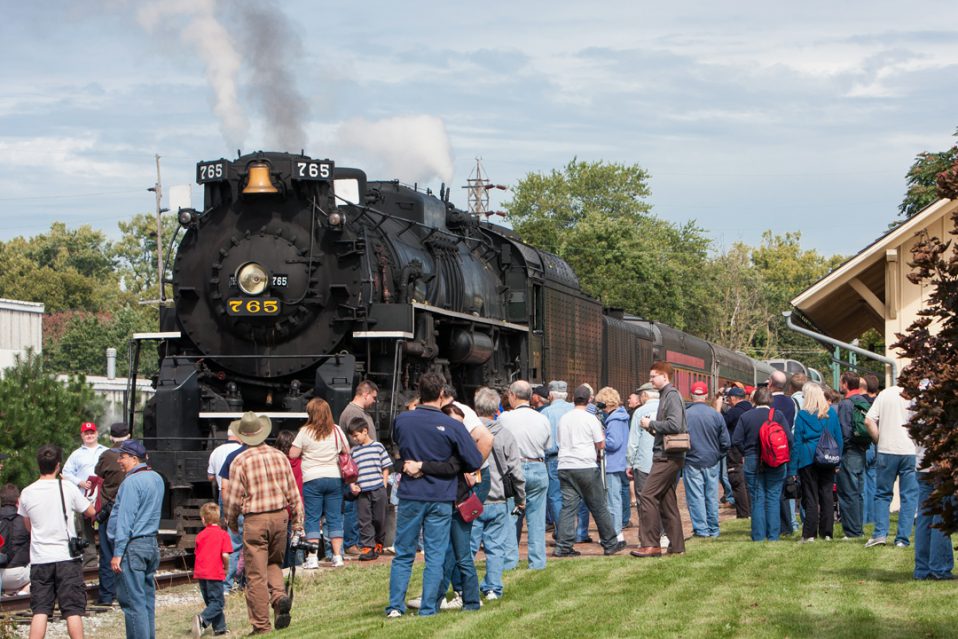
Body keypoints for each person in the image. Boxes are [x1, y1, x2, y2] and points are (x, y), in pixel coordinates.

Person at [385, 372, 483, 618]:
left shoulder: (403, 420)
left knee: (404, 553)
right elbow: (473, 460)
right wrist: (449, 462)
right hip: (441, 495)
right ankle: (428, 607)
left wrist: (416, 464)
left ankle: (395, 607)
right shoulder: (452, 425)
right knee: (436, 555)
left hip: (410, 494)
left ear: (419, 392)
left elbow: (397, 445)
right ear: (442, 394)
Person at [225, 412, 304, 634]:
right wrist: (298, 522)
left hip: (256, 519)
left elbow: (232, 498)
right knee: (273, 563)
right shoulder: (280, 456)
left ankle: (261, 626)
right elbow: (293, 492)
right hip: (281, 517)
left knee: (255, 574)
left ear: (243, 437)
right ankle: (279, 598)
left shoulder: (240, 460)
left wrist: (231, 522)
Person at [19, 444, 96, 639]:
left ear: (38, 465)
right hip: (66, 557)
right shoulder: (68, 487)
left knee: (40, 610)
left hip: (40, 558)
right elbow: (91, 512)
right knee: (73, 610)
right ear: (58, 465)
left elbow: (28, 526)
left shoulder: (27, 492)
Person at [554, 384, 626, 558]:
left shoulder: (564, 418)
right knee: (599, 506)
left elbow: (559, 441)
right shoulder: (590, 419)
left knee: (568, 508)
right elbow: (601, 443)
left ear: (573, 399)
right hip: (585, 466)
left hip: (565, 466)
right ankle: (610, 543)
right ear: (589, 400)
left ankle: (563, 546)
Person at [470, 386, 525, 600]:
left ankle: (465, 587)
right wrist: (521, 499)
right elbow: (516, 472)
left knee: (468, 547)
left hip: (473, 499)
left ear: (476, 408)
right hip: (498, 498)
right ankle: (493, 588)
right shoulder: (506, 435)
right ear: (496, 409)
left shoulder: (469, 433)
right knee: (496, 547)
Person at [108, 440, 164, 639]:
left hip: (133, 546)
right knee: (147, 601)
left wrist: (117, 553)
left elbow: (125, 520)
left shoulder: (131, 482)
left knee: (132, 604)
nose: (119, 461)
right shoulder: (157, 478)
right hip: (151, 543)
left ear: (133, 458)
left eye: (122, 457)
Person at [632, 361, 687, 558]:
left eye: (653, 375)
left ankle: (651, 544)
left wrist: (651, 423)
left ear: (665, 377)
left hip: (667, 456)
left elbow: (675, 424)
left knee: (647, 495)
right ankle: (677, 545)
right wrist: (652, 427)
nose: (650, 379)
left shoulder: (671, 395)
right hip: (669, 456)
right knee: (666, 500)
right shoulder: (668, 395)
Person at [497, 380, 552, 570]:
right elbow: (547, 445)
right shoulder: (543, 418)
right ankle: (537, 563)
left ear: (512, 395)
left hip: (514, 469)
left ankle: (509, 562)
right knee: (536, 520)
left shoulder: (505, 418)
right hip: (538, 467)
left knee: (511, 517)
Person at [290, 398, 350, 568]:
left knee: (312, 518)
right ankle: (337, 556)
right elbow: (347, 450)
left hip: (312, 479)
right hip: (334, 478)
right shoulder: (336, 430)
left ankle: (312, 557)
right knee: (334, 518)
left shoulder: (305, 431)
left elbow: (293, 453)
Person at [731, 387, 793, 542]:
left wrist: (745, 453)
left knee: (757, 498)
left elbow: (736, 440)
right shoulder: (777, 415)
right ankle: (773, 536)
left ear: (754, 400)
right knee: (773, 497)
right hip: (775, 461)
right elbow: (790, 439)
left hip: (752, 459)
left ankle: (758, 536)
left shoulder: (746, 417)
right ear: (770, 400)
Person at [788, 383, 843, 542]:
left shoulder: (803, 415)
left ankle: (809, 534)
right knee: (827, 495)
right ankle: (827, 533)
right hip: (828, 456)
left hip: (808, 458)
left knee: (810, 496)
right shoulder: (830, 414)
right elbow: (838, 438)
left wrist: (793, 469)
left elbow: (797, 443)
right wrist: (838, 460)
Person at [864, 385, 918, 548]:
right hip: (910, 451)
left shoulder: (886, 394)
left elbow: (868, 420)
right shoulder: (917, 396)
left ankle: (880, 533)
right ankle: (902, 538)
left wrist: (879, 440)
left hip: (887, 449)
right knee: (909, 496)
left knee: (882, 494)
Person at [683, 382, 730, 538]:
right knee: (711, 495)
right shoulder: (715, 415)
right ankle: (714, 529)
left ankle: (701, 530)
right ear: (706, 395)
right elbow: (725, 442)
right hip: (712, 460)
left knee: (696, 496)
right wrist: (717, 455)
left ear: (691, 395)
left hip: (691, 460)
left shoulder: (685, 414)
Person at [339, 380, 379, 557]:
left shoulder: (358, 412)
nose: (375, 401)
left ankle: (358, 541)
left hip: (362, 466)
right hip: (357, 467)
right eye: (373, 397)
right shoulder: (352, 413)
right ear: (365, 394)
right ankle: (351, 542)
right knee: (353, 506)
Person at [92, 421, 131, 605]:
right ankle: (126, 591)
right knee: (126, 551)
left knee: (107, 553)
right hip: (128, 509)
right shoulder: (134, 455)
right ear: (128, 436)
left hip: (108, 509)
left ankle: (107, 595)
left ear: (110, 437)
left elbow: (98, 472)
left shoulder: (106, 456)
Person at [346, 418, 391, 560]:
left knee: (379, 518)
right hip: (363, 492)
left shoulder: (378, 447)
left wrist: (383, 483)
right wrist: (352, 484)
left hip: (378, 488)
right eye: (352, 436)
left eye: (356, 435)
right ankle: (367, 546)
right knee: (364, 520)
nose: (354, 439)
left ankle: (379, 542)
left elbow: (385, 467)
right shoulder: (354, 452)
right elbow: (352, 472)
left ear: (365, 431)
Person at [62, 421, 106, 564]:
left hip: (103, 496)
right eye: (86, 433)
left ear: (97, 433)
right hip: (84, 498)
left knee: (106, 526)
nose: (89, 435)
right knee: (86, 530)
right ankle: (90, 560)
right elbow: (66, 473)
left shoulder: (105, 451)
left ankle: (107, 557)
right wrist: (79, 482)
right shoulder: (76, 454)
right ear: (82, 435)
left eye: (92, 432)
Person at [836, 371, 871, 540]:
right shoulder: (863, 401)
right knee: (858, 491)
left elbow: (844, 430)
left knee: (847, 491)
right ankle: (859, 527)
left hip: (849, 452)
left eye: (841, 382)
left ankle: (851, 531)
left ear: (845, 384)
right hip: (862, 450)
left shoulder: (846, 404)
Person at [913, 445, 954, 580]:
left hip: (923, 465)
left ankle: (922, 569)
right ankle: (940, 568)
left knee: (925, 517)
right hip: (942, 466)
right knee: (941, 515)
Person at [192, 502, 233, 637]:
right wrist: (226, 568)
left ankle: (220, 627)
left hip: (201, 573)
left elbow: (197, 554)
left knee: (212, 601)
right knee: (219, 602)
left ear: (203, 519)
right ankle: (202, 619)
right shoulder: (223, 535)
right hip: (214, 572)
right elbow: (225, 555)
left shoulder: (200, 535)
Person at [596, 387, 630, 542]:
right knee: (614, 498)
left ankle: (614, 533)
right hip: (618, 462)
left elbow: (614, 442)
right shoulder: (621, 417)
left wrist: (601, 439)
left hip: (612, 464)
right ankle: (615, 532)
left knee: (612, 500)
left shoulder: (614, 420)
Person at [541, 380, 572, 536]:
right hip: (573, 457)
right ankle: (574, 531)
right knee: (572, 496)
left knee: (555, 496)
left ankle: (562, 533)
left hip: (553, 458)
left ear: (551, 395)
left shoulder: (546, 412)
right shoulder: (574, 409)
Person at [723, 386, 752, 518]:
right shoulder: (752, 409)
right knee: (748, 482)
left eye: (728, 398)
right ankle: (751, 511)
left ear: (734, 398)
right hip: (751, 450)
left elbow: (720, 425)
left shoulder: (733, 412)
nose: (727, 401)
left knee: (737, 481)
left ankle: (743, 513)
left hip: (736, 452)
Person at [0, 483, 31, 594]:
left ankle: (7, 591)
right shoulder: (25, 519)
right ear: (18, 501)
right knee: (45, 566)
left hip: (0, 577)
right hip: (19, 574)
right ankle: (23, 592)